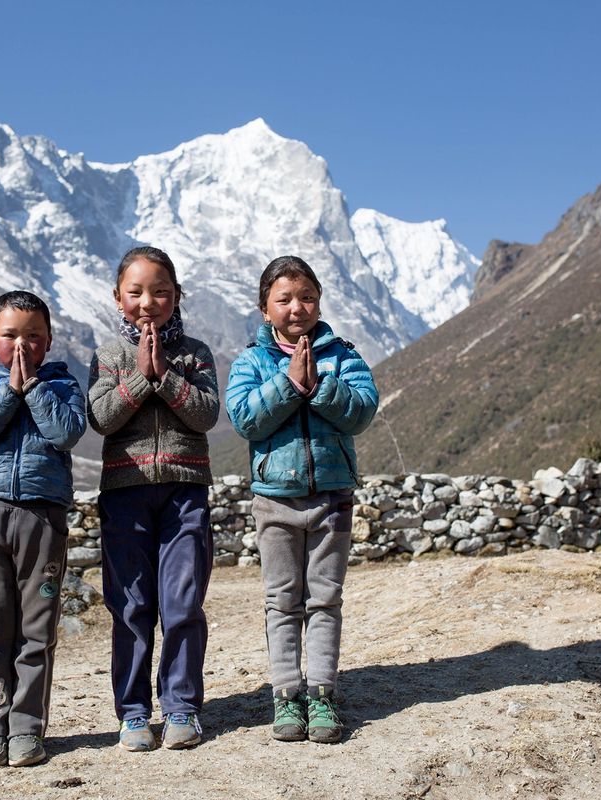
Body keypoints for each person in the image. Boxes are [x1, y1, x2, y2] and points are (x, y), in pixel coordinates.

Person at [225, 255, 379, 744]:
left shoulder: (343, 355)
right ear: (264, 308)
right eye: (284, 299)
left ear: (319, 302)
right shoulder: (251, 361)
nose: (297, 308)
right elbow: (246, 419)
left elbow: (362, 411)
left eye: (307, 297)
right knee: (281, 600)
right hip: (275, 500)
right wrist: (290, 384)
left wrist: (320, 385)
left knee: (326, 598)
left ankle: (323, 694)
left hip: (332, 495)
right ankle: (287, 694)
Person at [87, 245, 220, 751]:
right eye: (136, 292)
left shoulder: (196, 353)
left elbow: (207, 415)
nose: (149, 301)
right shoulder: (107, 356)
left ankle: (182, 706)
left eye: (161, 291)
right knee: (131, 605)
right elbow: (101, 418)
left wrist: (165, 375)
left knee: (183, 603)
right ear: (118, 298)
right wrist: (141, 377)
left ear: (177, 295)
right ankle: (135, 712)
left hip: (185, 492)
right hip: (125, 494)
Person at [0, 290, 86, 768]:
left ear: (48, 342)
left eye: (33, 337)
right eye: (11, 336)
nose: (22, 346)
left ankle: (28, 727)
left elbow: (67, 432)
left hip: (42, 517)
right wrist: (9, 391)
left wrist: (32, 388)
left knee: (37, 629)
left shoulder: (63, 386)